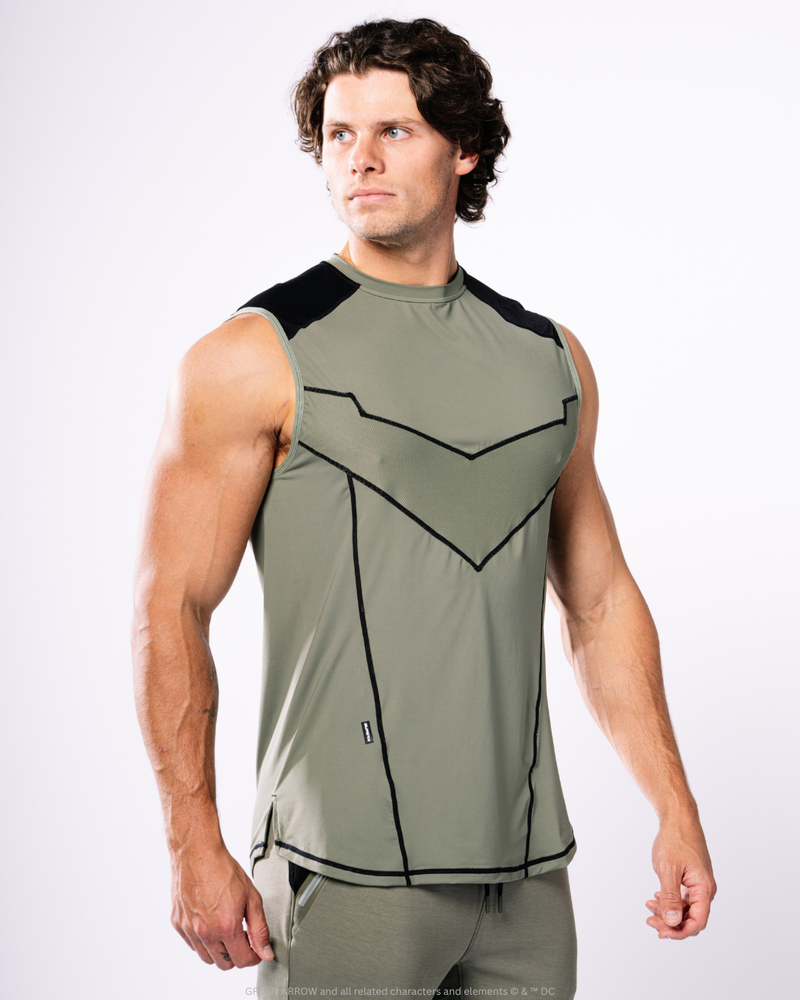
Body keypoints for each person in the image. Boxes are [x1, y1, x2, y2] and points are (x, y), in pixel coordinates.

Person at [132, 17, 716, 997]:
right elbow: (170, 605)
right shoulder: (252, 357)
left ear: (465, 147)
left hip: (527, 878)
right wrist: (193, 842)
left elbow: (599, 600)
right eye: (338, 134)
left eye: (392, 131)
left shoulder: (550, 360)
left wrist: (674, 806)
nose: (357, 158)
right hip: (341, 868)